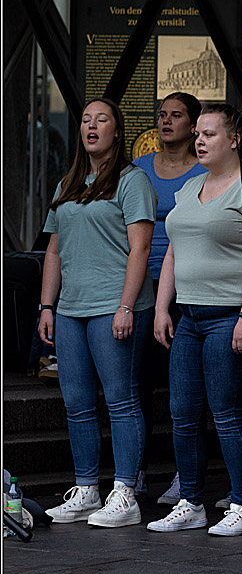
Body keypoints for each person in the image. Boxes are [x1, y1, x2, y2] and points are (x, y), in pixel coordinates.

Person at [147, 104, 242, 537]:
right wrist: (160, 307)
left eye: (209, 133)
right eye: (198, 134)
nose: (200, 140)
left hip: (231, 314)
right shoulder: (189, 189)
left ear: (235, 139)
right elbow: (173, 250)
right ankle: (190, 501)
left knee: (226, 411)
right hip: (189, 314)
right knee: (182, 412)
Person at [39, 98, 157, 528]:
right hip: (71, 308)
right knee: (76, 402)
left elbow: (141, 248)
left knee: (121, 400)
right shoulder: (66, 184)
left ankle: (124, 492)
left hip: (114, 306)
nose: (92, 126)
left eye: (101, 119)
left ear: (116, 131)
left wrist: (127, 305)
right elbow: (54, 250)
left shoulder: (132, 180)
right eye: (86, 120)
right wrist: (47, 306)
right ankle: (87, 489)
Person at [133, 92, 206, 505]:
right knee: (140, 381)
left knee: (187, 389)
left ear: (193, 124)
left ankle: (186, 476)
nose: (166, 121)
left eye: (176, 115)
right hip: (144, 286)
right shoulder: (139, 169)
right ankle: (137, 471)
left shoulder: (204, 170)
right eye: (161, 114)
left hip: (188, 286)